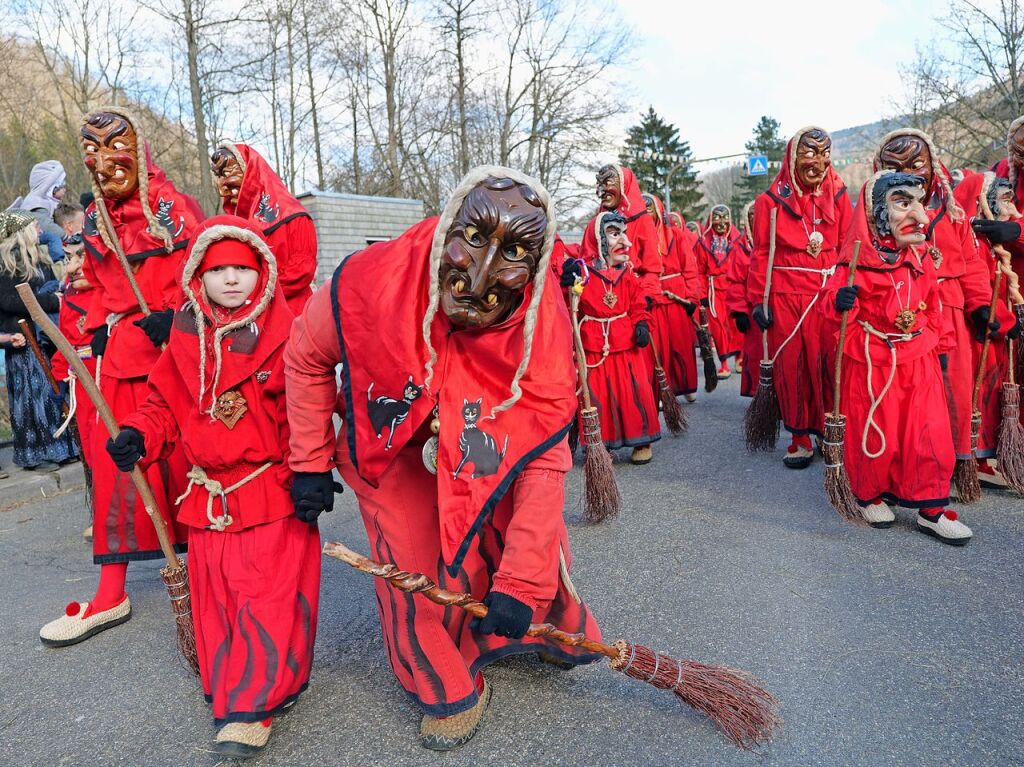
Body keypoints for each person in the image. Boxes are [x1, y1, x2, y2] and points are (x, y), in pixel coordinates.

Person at [284, 167, 602, 751]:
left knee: (503, 533)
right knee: (409, 565)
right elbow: (304, 358)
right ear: (448, 226)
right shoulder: (368, 283)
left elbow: (544, 461)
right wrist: (307, 460)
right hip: (392, 444)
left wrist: (522, 585)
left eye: (511, 257)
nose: (479, 279)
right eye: (474, 240)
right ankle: (443, 681)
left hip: (485, 436)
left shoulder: (544, 331)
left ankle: (529, 626)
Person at [106, 216, 318, 759]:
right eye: (217, 268)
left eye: (241, 269)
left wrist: (311, 470)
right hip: (207, 497)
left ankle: (251, 706)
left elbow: (307, 407)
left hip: (269, 489)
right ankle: (244, 687)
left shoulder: (284, 332)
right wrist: (138, 435)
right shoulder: (185, 334)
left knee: (264, 599)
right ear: (198, 274)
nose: (229, 279)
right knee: (219, 602)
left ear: (262, 273)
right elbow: (162, 406)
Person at [39, 107, 203, 647]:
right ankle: (111, 591)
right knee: (119, 467)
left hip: (175, 354)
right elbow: (102, 285)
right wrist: (107, 321)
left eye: (114, 146)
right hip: (125, 356)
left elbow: (211, 274)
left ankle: (204, 573)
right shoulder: (95, 223)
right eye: (92, 150)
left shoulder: (175, 209)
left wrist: (176, 316)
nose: (104, 161)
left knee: (184, 464)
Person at [821, 171, 970, 543]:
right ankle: (870, 493)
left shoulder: (921, 258)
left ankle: (932, 508)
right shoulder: (853, 264)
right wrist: (839, 304)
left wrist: (941, 346)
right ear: (875, 213)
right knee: (878, 430)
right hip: (872, 360)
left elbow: (934, 307)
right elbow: (833, 315)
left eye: (920, 203)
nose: (920, 216)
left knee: (929, 431)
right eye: (904, 203)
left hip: (918, 357)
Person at [873, 129, 993, 497]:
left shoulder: (952, 207)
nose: (908, 173)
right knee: (911, 394)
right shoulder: (878, 211)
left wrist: (980, 303)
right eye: (895, 166)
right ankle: (904, 468)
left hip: (951, 306)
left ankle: (958, 462)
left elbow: (971, 261)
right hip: (904, 310)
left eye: (916, 164)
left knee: (955, 389)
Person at [747, 126, 852, 468]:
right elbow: (761, 252)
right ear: (793, 157)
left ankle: (827, 429)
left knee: (826, 364)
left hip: (827, 294)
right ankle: (799, 437)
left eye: (824, 154)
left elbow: (849, 250)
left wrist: (847, 290)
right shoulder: (770, 202)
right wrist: (757, 300)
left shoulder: (838, 196)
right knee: (793, 367)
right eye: (810, 153)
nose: (818, 162)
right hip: (787, 295)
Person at [569, 210, 661, 463]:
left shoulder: (628, 274)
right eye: (614, 234)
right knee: (599, 396)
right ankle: (601, 443)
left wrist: (642, 324)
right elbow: (571, 309)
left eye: (625, 234)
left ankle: (640, 439)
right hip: (594, 349)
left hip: (625, 343)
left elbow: (638, 305)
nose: (625, 241)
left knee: (633, 392)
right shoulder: (582, 275)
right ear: (598, 239)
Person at [955, 172, 1024, 486]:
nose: (1010, 205)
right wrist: (1006, 322)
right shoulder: (973, 243)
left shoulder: (994, 242)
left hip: (997, 336)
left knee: (992, 394)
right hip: (981, 334)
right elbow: (981, 288)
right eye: (1003, 198)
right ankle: (970, 457)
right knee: (976, 394)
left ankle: (983, 457)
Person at [0, 210, 77, 470]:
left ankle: (62, 447)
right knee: (32, 399)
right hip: (23, 339)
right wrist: (52, 301)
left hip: (44, 337)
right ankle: (38, 452)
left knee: (52, 392)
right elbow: (13, 301)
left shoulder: (38, 259)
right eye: (34, 226)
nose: (41, 230)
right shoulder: (7, 265)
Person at [210, 143, 318, 315]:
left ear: (251, 173)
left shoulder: (294, 217)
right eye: (220, 176)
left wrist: (252, 296)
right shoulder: (231, 227)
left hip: (290, 317)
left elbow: (301, 272)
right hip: (246, 318)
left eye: (229, 173)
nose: (223, 190)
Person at [49, 232, 98, 537]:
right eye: (68, 259)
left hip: (108, 374)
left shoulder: (111, 293)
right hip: (80, 379)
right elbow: (66, 341)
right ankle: (105, 514)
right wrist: (58, 374)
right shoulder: (70, 295)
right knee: (92, 451)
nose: (72, 267)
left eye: (81, 257)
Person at [578, 164, 662, 301]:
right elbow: (586, 257)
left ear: (624, 185)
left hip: (634, 294)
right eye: (599, 185)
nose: (601, 191)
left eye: (607, 183)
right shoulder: (596, 222)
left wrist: (646, 296)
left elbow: (652, 267)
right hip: (600, 293)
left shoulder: (642, 220)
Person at [644, 195, 698, 402]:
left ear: (658, 212)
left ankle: (684, 384)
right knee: (657, 349)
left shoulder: (677, 235)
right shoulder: (635, 238)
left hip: (677, 298)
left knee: (681, 346)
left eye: (649, 210)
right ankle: (661, 390)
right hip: (653, 299)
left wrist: (692, 297)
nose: (646, 214)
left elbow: (690, 268)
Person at [694, 204, 746, 379]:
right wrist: (702, 295)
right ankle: (723, 363)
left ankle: (740, 357)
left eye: (725, 218)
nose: (721, 222)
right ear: (711, 220)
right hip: (713, 289)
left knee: (735, 324)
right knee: (717, 326)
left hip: (733, 286)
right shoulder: (703, 243)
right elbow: (699, 271)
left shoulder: (738, 240)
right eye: (717, 218)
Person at [728, 201, 761, 397]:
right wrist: (739, 310)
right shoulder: (741, 247)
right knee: (756, 353)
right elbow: (736, 282)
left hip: (781, 306)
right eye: (752, 216)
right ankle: (759, 393)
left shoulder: (781, 242)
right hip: (752, 309)